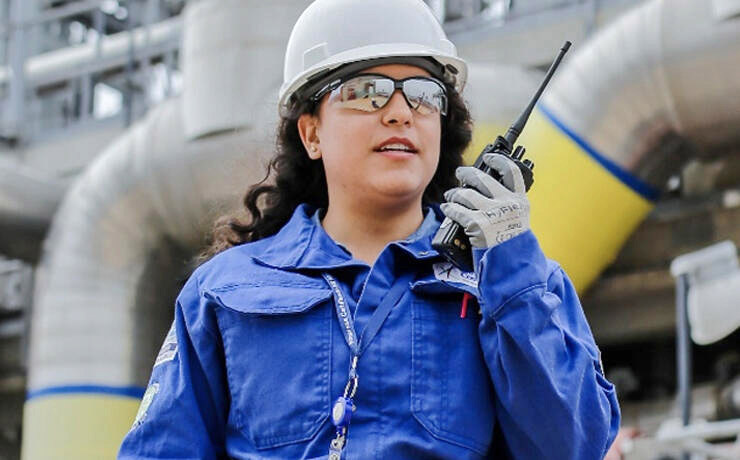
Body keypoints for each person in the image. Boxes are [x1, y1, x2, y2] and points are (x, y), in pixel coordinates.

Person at [118, 0, 620, 458]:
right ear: (311, 132)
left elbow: (574, 447)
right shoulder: (224, 292)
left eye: (424, 94)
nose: (401, 111)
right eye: (367, 92)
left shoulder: (520, 284)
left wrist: (510, 270)